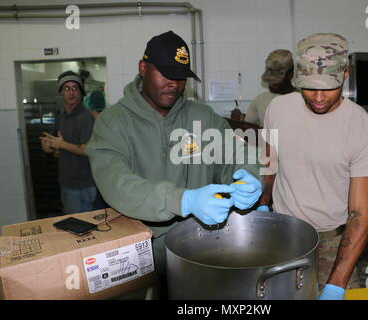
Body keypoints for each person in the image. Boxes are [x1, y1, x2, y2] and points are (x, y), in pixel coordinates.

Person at [85, 31, 263, 298]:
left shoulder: (201, 116)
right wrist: (183, 200)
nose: (175, 84)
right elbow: (116, 183)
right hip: (141, 252)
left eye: (181, 77)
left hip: (201, 245)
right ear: (143, 68)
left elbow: (236, 151)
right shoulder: (113, 122)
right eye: (166, 74)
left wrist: (249, 175)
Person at [259, 33, 368, 300]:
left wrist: (336, 284)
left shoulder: (364, 130)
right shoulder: (278, 109)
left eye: (328, 87)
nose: (318, 97)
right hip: (285, 235)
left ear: (345, 74)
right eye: (309, 87)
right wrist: (262, 202)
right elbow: (270, 162)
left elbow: (360, 215)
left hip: (334, 241)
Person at [40, 71, 98, 215]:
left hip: (83, 186)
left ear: (80, 92)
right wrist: (48, 146)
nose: (71, 92)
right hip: (67, 183)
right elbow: (55, 146)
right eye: (66, 88)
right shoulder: (62, 117)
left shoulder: (85, 117)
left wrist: (60, 144)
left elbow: (87, 149)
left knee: (82, 228)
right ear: (60, 92)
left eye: (75, 88)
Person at [245, 49, 296, 127]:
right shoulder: (260, 100)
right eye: (270, 79)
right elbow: (247, 128)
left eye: (277, 79)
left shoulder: (304, 99)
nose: (271, 84)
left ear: (290, 75)